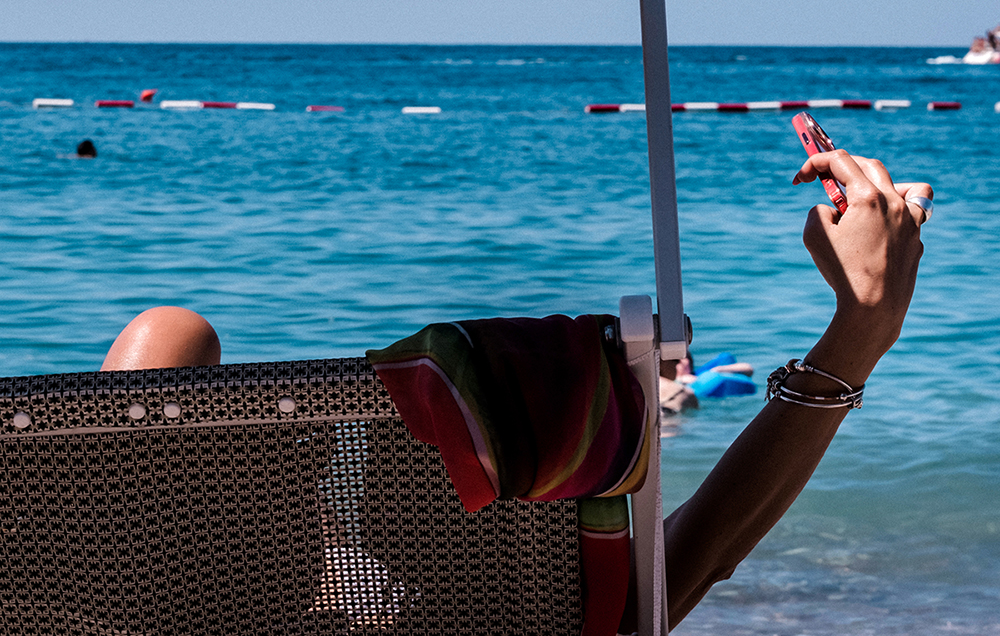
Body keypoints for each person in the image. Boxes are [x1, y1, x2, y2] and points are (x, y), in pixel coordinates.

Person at [98, 149, 932, 631]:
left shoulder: (155, 604)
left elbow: (165, 347)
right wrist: (861, 330)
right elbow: (698, 556)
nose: (319, 471)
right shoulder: (548, 612)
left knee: (169, 334)